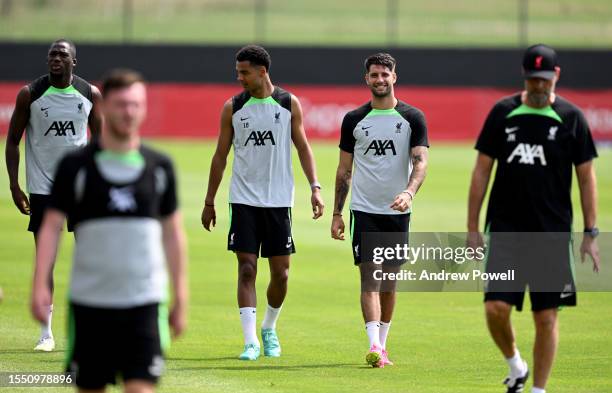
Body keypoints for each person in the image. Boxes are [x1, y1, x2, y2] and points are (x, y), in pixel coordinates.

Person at [31, 68, 187, 393]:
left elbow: (173, 235)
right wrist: (39, 284)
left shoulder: (160, 167)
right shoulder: (76, 167)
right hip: (90, 303)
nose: (128, 112)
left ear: (143, 109)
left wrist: (181, 297)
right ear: (103, 108)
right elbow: (50, 227)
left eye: (135, 105)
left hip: (145, 302)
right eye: (120, 104)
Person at [467, 44, 599, 393]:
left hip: (552, 234)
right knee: (495, 308)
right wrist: (472, 228)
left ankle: (538, 390)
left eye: (544, 80)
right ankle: (515, 364)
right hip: (506, 230)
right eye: (532, 80)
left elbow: (586, 177)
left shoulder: (572, 117)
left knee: (546, 316)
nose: (538, 86)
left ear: (555, 77)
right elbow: (481, 171)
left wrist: (590, 231)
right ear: (524, 77)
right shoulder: (503, 112)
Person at [201, 44, 324, 361]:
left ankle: (269, 327)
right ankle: (250, 340)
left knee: (281, 274)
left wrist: (315, 187)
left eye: (244, 72)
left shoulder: (287, 103)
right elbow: (219, 156)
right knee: (246, 269)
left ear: (262, 71)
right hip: (243, 200)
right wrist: (209, 200)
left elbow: (303, 148)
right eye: (237, 72)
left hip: (279, 201)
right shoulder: (233, 107)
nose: (239, 77)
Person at [331, 53, 429, 368]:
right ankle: (374, 346)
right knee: (370, 278)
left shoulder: (413, 117)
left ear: (394, 77)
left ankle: (383, 345)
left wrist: (409, 192)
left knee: (390, 282)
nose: (380, 80)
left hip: (398, 213)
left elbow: (420, 162)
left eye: (385, 74)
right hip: (364, 211)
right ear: (367, 79)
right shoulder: (354, 120)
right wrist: (336, 213)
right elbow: (344, 171)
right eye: (374, 75)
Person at [5, 38, 103, 351]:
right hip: (43, 189)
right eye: (52, 55)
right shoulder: (30, 94)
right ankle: (46, 333)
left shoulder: (89, 94)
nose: (55, 59)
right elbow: (12, 143)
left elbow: (101, 143)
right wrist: (14, 185)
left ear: (75, 61)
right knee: (46, 260)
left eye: (62, 55)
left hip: (80, 188)